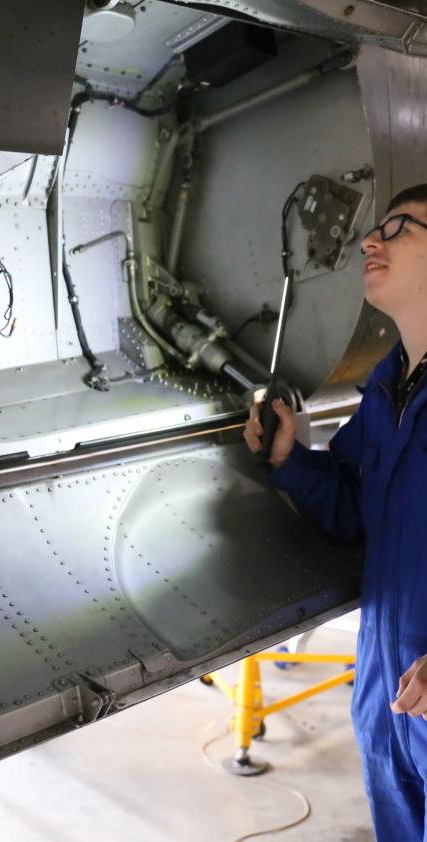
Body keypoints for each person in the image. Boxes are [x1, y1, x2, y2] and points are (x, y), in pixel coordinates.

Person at [243, 183, 427, 842]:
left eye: (402, 227)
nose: (371, 241)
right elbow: (356, 506)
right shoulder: (389, 384)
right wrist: (294, 458)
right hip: (389, 698)